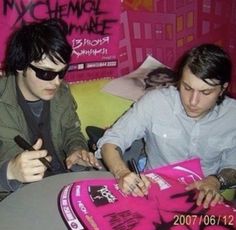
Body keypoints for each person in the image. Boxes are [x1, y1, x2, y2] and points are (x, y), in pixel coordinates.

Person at [97, 44, 236, 209]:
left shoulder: (232, 116)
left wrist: (216, 181)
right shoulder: (156, 102)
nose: (193, 101)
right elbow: (112, 140)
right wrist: (122, 173)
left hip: (203, 201)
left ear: (222, 89)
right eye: (187, 88)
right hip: (152, 192)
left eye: (205, 93)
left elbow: (233, 166)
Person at [0, 19, 101, 195]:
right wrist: (9, 172)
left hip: (62, 184)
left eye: (62, 72)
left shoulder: (61, 93)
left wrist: (76, 149)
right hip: (19, 197)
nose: (56, 82)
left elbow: (71, 131)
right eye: (45, 73)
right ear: (20, 65)